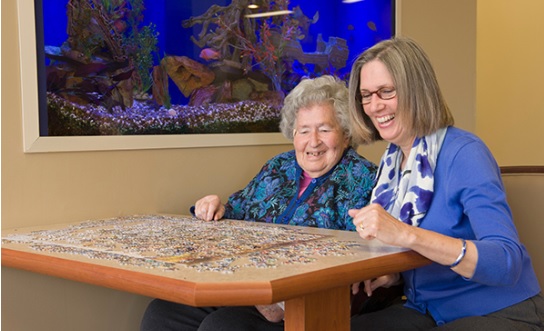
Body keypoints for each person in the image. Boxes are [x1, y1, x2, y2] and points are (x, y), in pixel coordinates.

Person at [141, 75, 379, 331]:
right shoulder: (278, 166)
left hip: (302, 306)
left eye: (324, 129)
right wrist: (215, 209)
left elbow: (358, 258)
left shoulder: (363, 178)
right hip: (245, 287)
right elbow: (238, 210)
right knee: (161, 313)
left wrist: (281, 303)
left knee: (222, 326)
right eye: (304, 130)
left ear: (345, 134)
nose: (313, 141)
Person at [347, 36, 544, 330]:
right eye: (366, 95)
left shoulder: (465, 153)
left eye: (386, 91)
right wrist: (395, 275)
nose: (374, 106)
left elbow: (506, 262)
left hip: (498, 310)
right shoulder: (392, 163)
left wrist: (406, 234)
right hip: (425, 309)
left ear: (417, 90)